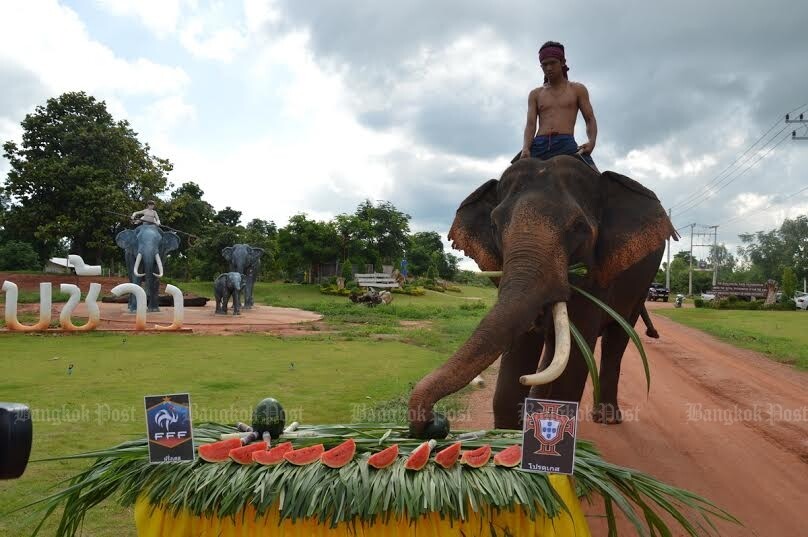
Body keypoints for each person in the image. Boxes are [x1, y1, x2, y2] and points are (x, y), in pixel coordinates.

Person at [517, 41, 598, 171]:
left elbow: (590, 119)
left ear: (562, 62)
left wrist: (592, 142)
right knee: (510, 181)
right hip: (539, 145)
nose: (548, 68)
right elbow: (531, 125)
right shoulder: (535, 94)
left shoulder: (577, 89)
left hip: (566, 144)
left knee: (597, 180)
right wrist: (526, 148)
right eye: (544, 64)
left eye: (553, 63)